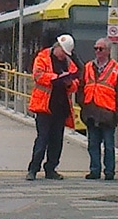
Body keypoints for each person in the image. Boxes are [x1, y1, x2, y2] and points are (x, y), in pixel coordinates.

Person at [26, 34, 79, 181]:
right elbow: (38, 75)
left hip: (60, 107)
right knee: (42, 139)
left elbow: (75, 83)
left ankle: (51, 168)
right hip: (44, 107)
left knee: (57, 140)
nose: (64, 56)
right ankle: (33, 169)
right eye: (63, 53)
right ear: (58, 48)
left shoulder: (68, 62)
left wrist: (69, 83)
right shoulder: (42, 57)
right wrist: (55, 78)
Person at [79, 38, 118, 181]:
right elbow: (81, 87)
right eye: (96, 48)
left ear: (108, 51)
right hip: (91, 112)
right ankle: (94, 170)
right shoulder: (88, 67)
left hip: (108, 113)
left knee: (109, 145)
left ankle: (109, 171)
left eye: (101, 49)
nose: (97, 51)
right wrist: (82, 104)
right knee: (93, 144)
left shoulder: (117, 68)